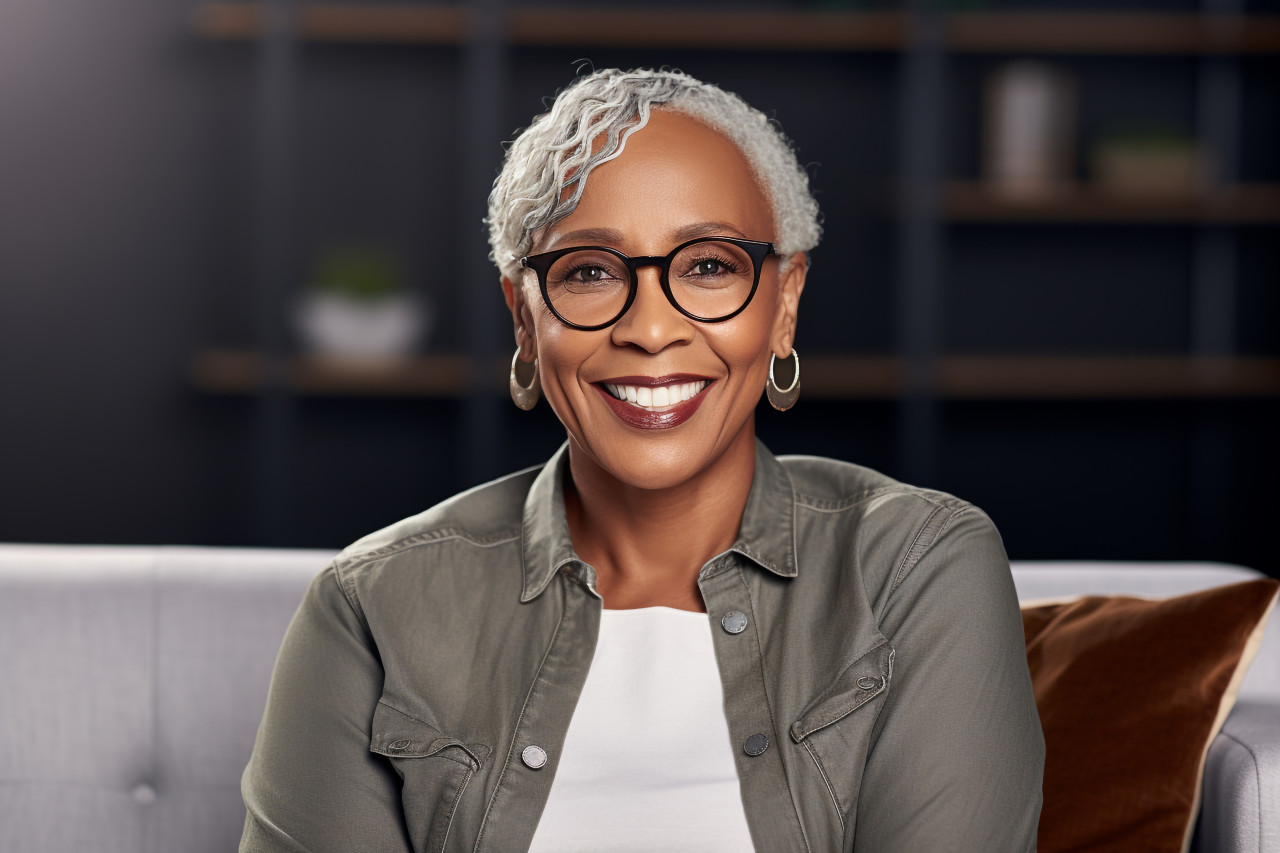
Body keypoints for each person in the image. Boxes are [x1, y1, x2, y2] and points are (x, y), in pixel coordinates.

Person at [240, 67, 1044, 853]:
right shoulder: (371, 606)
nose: (651, 330)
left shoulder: (916, 566)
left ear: (785, 303)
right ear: (524, 318)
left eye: (707, 265)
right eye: (589, 271)